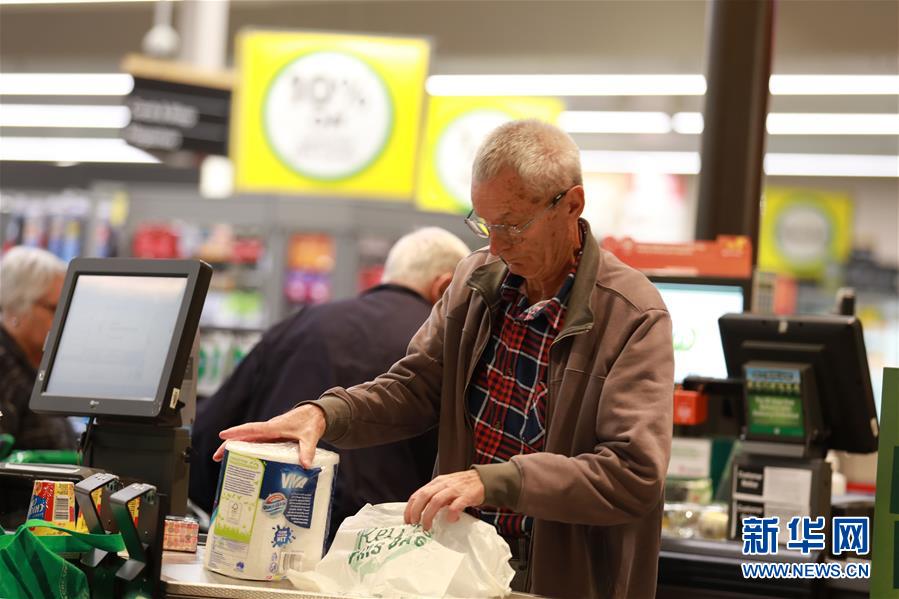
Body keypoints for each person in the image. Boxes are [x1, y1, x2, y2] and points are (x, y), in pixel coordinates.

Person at [216, 120, 674, 599]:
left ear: (572, 205)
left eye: (513, 225)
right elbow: (415, 388)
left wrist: (496, 482)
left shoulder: (632, 316)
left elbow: (632, 473)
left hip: (564, 580)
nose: (496, 244)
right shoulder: (477, 282)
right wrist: (324, 414)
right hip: (462, 570)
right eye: (484, 223)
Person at [189, 227, 471, 537]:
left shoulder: (301, 324)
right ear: (446, 287)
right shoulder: (444, 352)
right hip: (386, 549)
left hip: (273, 534)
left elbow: (209, 436)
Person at [0, 246, 76, 450]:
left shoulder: (34, 365)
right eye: (55, 309)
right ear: (17, 305)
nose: (65, 319)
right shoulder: (5, 369)